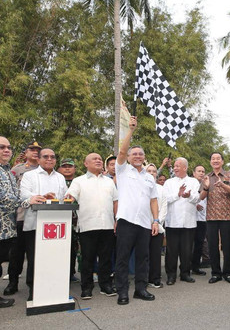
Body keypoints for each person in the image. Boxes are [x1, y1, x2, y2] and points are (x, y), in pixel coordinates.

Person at [113, 116, 159, 305]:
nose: (138, 156)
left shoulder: (149, 177)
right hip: (126, 222)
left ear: (144, 157)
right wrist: (130, 130)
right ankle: (122, 292)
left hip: (144, 223)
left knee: (143, 258)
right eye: (134, 154)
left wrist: (155, 220)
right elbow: (122, 150)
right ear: (129, 157)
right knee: (122, 258)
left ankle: (141, 289)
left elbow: (153, 200)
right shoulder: (123, 171)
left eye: (141, 154)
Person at [66, 153, 118, 299]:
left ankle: (105, 285)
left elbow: (115, 201)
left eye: (100, 159)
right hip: (88, 225)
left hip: (107, 225)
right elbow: (70, 197)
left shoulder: (109, 182)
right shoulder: (78, 181)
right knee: (88, 258)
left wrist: (116, 219)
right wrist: (69, 198)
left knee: (106, 258)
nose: (98, 161)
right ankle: (86, 287)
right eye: (94, 159)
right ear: (85, 163)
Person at [0, 137, 45, 308]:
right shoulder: (16, 169)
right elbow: (7, 198)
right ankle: (12, 283)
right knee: (15, 254)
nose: (6, 150)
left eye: (9, 147)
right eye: (2, 147)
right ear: (25, 153)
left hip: (12, 222)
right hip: (19, 216)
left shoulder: (5, 171)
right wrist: (28, 202)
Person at [20, 147, 68, 300]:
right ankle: (33, 291)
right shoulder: (29, 176)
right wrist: (42, 197)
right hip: (35, 224)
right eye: (45, 157)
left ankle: (55, 289)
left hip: (58, 226)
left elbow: (63, 196)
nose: (49, 159)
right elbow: (24, 195)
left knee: (55, 259)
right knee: (35, 259)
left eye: (52, 157)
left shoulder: (60, 177)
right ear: (39, 159)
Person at [199, 152, 230, 284]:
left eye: (218, 158)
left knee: (227, 246)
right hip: (211, 216)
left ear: (222, 161)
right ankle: (216, 273)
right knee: (212, 246)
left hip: (227, 216)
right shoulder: (207, 177)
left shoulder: (229, 175)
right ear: (210, 162)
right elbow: (202, 197)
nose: (215, 160)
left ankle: (228, 273)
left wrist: (223, 185)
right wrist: (206, 186)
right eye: (213, 158)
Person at [163, 158, 200, 285]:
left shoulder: (193, 181)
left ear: (185, 168)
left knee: (187, 250)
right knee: (171, 251)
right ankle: (171, 275)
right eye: (174, 166)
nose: (175, 168)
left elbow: (197, 198)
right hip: (172, 221)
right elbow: (165, 199)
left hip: (188, 222)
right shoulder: (169, 182)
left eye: (178, 166)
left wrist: (188, 196)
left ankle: (185, 273)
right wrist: (178, 195)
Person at [145, 163, 167, 289]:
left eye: (154, 171)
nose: (152, 173)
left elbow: (164, 207)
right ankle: (142, 278)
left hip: (157, 226)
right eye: (149, 171)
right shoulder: (140, 187)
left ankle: (154, 279)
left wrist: (157, 222)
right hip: (142, 226)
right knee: (143, 254)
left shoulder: (161, 189)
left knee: (155, 254)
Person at [59, 158, 80, 283]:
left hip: (75, 220)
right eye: (64, 166)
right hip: (59, 219)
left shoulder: (78, 182)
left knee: (73, 248)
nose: (67, 168)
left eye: (70, 166)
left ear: (74, 169)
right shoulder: (57, 181)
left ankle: (71, 272)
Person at [191, 165, 208, 276]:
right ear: (194, 173)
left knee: (199, 244)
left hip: (202, 219)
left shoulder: (207, 184)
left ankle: (196, 267)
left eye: (203, 171)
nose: (201, 173)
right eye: (199, 171)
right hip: (190, 219)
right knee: (188, 245)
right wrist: (195, 205)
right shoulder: (190, 183)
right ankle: (185, 267)